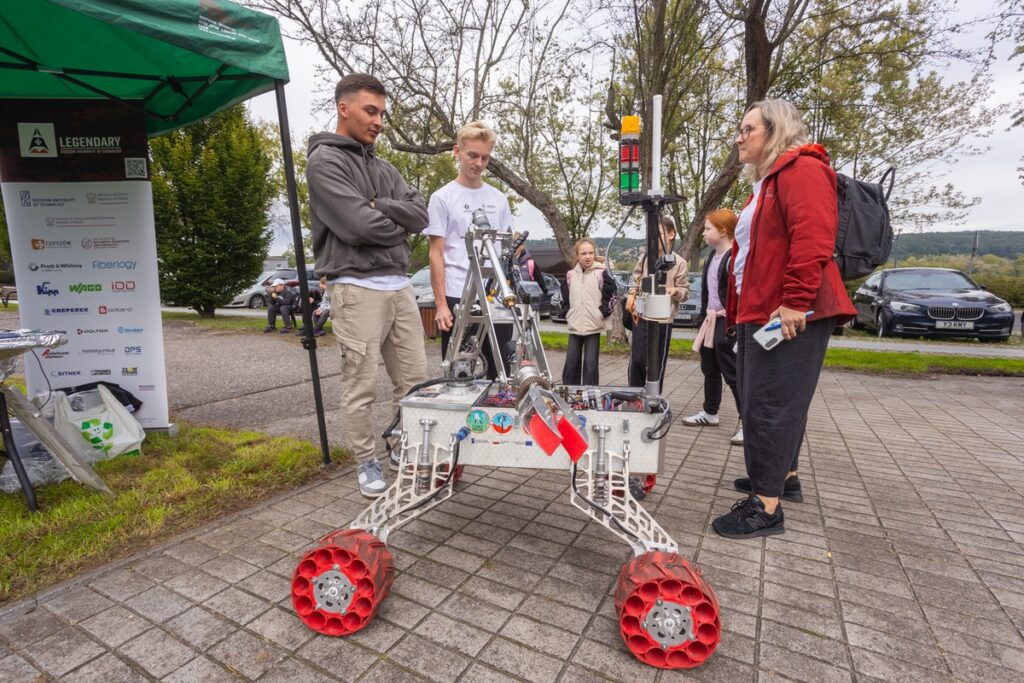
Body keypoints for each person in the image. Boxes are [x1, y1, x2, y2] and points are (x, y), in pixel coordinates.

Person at [711, 99, 856, 539]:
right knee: (780, 401)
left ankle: (765, 507)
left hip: (787, 311)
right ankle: (782, 478)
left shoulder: (802, 170)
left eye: (747, 128)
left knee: (767, 405)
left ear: (775, 131)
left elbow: (812, 239)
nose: (739, 136)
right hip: (766, 309)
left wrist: (794, 302)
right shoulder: (767, 182)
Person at [306, 73, 429, 498]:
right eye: (370, 111)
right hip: (356, 288)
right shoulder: (325, 161)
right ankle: (366, 462)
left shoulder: (384, 166)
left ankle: (403, 447)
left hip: (399, 287)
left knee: (415, 382)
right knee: (361, 384)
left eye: (382, 113)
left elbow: (421, 213)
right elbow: (358, 225)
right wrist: (395, 224)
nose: (379, 121)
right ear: (344, 108)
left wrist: (382, 207)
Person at [424, 120, 514, 378]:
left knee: (502, 373)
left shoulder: (499, 199)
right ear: (457, 152)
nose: (478, 163)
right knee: (458, 374)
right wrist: (441, 305)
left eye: (485, 157)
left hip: (494, 297)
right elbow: (436, 254)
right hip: (457, 296)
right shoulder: (443, 197)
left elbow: (507, 250)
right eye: (472, 155)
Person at [683, 210, 743, 445]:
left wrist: (733, 322)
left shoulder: (733, 258)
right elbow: (708, 293)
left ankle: (747, 423)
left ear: (724, 231)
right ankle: (710, 412)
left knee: (733, 374)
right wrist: (702, 317)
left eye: (708, 229)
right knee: (709, 368)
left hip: (727, 322)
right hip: (709, 321)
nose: (705, 233)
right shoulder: (711, 256)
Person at [626, 215, 688, 389]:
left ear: (670, 234)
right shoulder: (646, 258)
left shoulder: (679, 263)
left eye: (658, 233)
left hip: (663, 319)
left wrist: (675, 291)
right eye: (650, 234)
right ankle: (634, 396)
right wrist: (632, 294)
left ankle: (653, 399)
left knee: (657, 362)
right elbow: (635, 279)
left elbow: (685, 291)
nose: (653, 237)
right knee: (638, 358)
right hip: (642, 315)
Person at [560, 238, 617, 385]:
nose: (588, 256)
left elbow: (611, 295)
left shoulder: (602, 274)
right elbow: (565, 299)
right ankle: (569, 395)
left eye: (591, 253)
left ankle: (590, 396)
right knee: (571, 364)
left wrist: (603, 312)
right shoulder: (571, 275)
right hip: (575, 325)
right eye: (583, 253)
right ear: (577, 256)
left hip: (593, 325)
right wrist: (568, 312)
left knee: (590, 366)